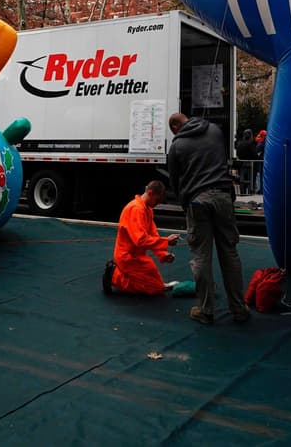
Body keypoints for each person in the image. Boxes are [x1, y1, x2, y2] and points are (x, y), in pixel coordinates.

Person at [167, 112, 250, 325]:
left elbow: (175, 181)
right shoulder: (214, 130)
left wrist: (184, 203)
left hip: (197, 200)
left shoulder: (177, 146)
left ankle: (206, 310)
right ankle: (239, 308)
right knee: (229, 253)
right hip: (223, 196)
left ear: (175, 127)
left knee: (201, 256)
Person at [104, 180, 180, 294]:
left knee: (156, 286)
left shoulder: (147, 209)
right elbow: (140, 240)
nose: (158, 203)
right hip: (127, 257)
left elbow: (153, 234)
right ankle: (114, 275)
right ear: (150, 193)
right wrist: (166, 241)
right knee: (154, 289)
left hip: (137, 256)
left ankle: (122, 276)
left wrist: (163, 254)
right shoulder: (136, 209)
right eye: (157, 200)